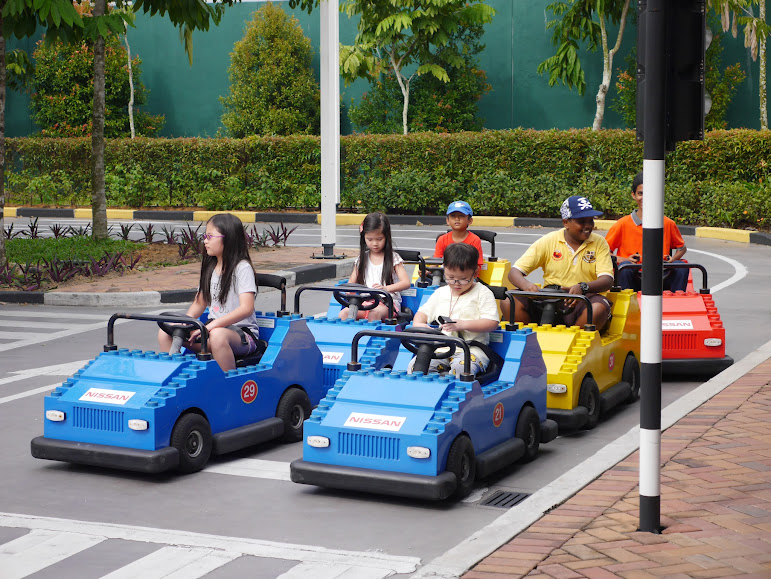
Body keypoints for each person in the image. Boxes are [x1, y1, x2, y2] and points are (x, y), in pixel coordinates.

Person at [157, 213, 260, 372]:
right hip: (211, 331)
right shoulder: (210, 268)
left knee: (218, 336)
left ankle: (227, 381)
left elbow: (246, 308)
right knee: (166, 332)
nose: (205, 241)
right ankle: (172, 374)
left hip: (241, 336)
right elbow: (199, 303)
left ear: (228, 238)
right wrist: (185, 323)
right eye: (205, 236)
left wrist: (211, 327)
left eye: (210, 236)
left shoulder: (242, 268)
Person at [507, 195, 614, 330]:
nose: (588, 226)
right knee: (508, 301)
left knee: (597, 309)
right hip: (549, 296)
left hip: (583, 298)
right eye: (582, 221)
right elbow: (514, 272)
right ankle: (530, 336)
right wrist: (527, 286)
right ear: (565, 222)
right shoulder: (549, 240)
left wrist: (583, 287)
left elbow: (607, 280)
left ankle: (575, 338)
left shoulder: (599, 243)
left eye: (590, 220)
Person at [410, 243, 500, 376]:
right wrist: (419, 324)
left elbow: (491, 322)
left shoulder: (483, 293)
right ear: (444, 269)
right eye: (451, 278)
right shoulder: (440, 293)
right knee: (416, 367)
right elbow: (422, 313)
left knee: (460, 369)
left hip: (471, 350)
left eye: (463, 279)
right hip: (441, 348)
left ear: (475, 273)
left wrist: (462, 325)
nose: (456, 284)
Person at [605, 171, 689, 292]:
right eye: (641, 193)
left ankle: (677, 298)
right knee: (625, 268)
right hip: (633, 275)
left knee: (681, 266)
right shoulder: (622, 224)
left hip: (661, 275)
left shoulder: (668, 223)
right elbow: (605, 253)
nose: (645, 198)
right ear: (633, 195)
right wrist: (625, 260)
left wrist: (672, 260)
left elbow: (682, 248)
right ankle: (626, 298)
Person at [339, 212, 411, 321]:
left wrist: (385, 289)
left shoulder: (393, 258)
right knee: (343, 314)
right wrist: (350, 293)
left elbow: (406, 282)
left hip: (386, 303)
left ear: (386, 237)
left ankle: (372, 332)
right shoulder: (361, 260)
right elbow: (351, 284)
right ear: (364, 238)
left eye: (379, 239)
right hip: (364, 302)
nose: (375, 243)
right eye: (370, 239)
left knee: (374, 314)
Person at [434, 200, 485, 268]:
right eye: (453, 216)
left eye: (461, 216)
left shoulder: (474, 240)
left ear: (470, 220)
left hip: (467, 273)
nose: (457, 219)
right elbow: (435, 262)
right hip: (446, 272)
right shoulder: (442, 239)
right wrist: (426, 271)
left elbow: (477, 266)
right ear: (448, 220)